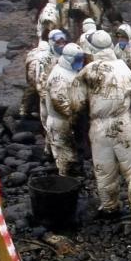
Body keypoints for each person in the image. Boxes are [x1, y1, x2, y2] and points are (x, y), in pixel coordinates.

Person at [72, 30, 131, 223]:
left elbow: (76, 105)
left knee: (104, 168)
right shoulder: (123, 67)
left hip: (99, 126)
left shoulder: (87, 72)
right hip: (124, 122)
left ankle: (109, 205)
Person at [45, 42, 84, 176]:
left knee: (72, 153)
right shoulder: (59, 76)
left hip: (69, 120)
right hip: (60, 121)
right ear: (68, 58)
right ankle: (65, 182)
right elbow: (59, 102)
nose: (79, 62)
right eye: (77, 59)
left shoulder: (72, 71)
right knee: (64, 157)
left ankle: (74, 179)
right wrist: (75, 115)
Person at [37, 30, 67, 153]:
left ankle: (55, 149)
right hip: (47, 96)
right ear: (51, 42)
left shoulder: (67, 55)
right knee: (47, 121)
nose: (61, 45)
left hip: (62, 95)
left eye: (63, 42)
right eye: (58, 42)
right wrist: (46, 97)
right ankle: (48, 149)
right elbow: (40, 79)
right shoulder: (45, 58)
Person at [20, 39, 50, 119]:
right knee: (37, 91)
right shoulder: (45, 56)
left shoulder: (32, 53)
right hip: (35, 73)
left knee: (30, 91)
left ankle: (24, 110)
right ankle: (31, 110)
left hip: (31, 73)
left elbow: (27, 66)